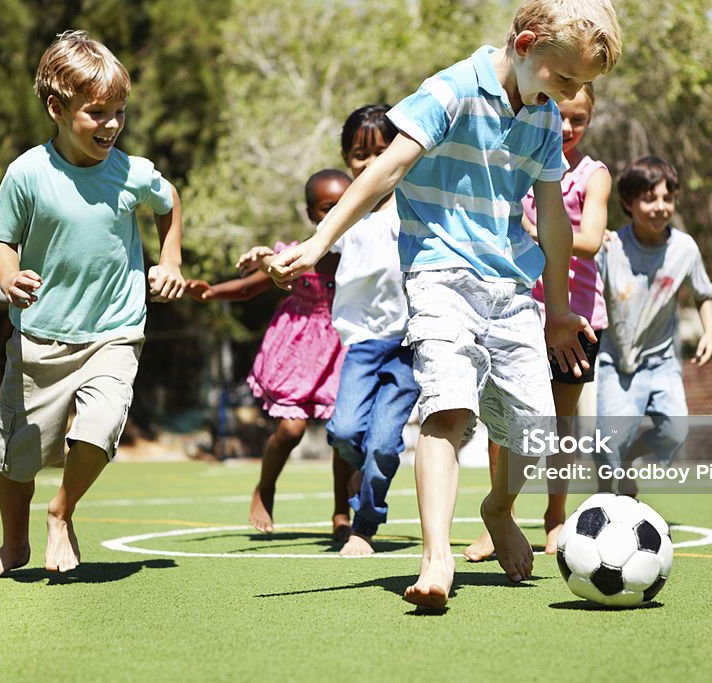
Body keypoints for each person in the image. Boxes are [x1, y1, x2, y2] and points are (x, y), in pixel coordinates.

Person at [268, 0, 622, 607]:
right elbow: (385, 171)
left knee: (532, 429)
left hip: (512, 285)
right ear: (526, 43)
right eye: (565, 79)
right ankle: (436, 557)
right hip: (438, 275)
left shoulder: (540, 117)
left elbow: (557, 225)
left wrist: (559, 310)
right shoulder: (452, 90)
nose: (571, 96)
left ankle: (498, 507)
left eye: (582, 86)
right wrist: (319, 240)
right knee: (448, 409)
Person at [0, 30, 185, 581]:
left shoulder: (132, 172)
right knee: (19, 456)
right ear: (57, 109)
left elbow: (170, 200)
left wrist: (171, 259)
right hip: (42, 334)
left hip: (115, 328)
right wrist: (9, 278)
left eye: (120, 113)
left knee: (101, 426)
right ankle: (13, 546)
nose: (111, 125)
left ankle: (61, 511)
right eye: (97, 113)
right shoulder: (27, 173)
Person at [248, 105, 420, 557]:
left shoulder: (415, 206)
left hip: (407, 344)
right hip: (360, 344)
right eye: (361, 154)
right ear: (347, 158)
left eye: (383, 152)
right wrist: (271, 258)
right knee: (344, 433)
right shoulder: (347, 213)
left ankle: (363, 524)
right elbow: (311, 249)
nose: (372, 162)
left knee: (384, 444)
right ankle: (354, 493)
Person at [465, 82, 611, 561]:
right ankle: (498, 519)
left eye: (580, 119)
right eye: (561, 116)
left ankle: (555, 516)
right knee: (503, 421)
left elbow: (589, 239)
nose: (568, 128)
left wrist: (531, 229)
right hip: (515, 311)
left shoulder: (593, 175)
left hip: (576, 318)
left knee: (561, 423)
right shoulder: (524, 166)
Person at [185, 170, 356, 540]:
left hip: (342, 347)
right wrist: (212, 293)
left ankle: (341, 512)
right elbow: (249, 288)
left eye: (345, 205)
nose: (337, 214)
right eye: (327, 208)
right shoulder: (298, 254)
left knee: (344, 433)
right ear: (312, 214)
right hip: (297, 348)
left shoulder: (360, 254)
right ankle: (266, 487)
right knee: (291, 428)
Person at [595, 155, 712, 496]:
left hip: (662, 362)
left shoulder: (685, 248)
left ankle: (633, 455)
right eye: (649, 199)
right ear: (628, 203)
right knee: (608, 446)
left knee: (676, 431)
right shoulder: (611, 246)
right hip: (616, 362)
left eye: (667, 198)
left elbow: (703, 293)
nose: (660, 207)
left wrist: (710, 332)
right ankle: (605, 501)